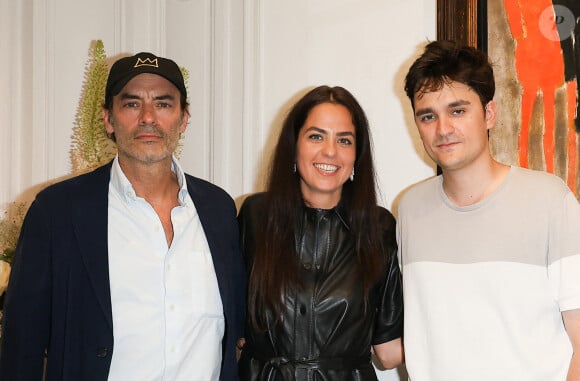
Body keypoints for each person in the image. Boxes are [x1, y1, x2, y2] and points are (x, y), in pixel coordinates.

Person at [0, 52, 246, 381]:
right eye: (131, 104)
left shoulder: (218, 209)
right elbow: (21, 343)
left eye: (163, 104)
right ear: (108, 118)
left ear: (183, 118)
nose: (148, 117)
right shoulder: (57, 212)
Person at [399, 40, 580, 380]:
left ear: (489, 114)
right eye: (428, 116)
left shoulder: (550, 200)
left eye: (458, 110)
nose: (443, 129)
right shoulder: (410, 210)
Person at [237, 85, 404, 380]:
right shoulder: (255, 216)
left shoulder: (379, 228)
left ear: (357, 154)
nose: (330, 151)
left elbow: (389, 352)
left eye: (344, 140)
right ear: (293, 145)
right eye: (316, 136)